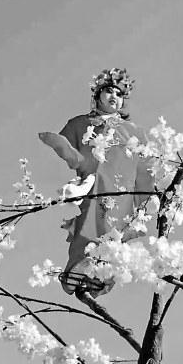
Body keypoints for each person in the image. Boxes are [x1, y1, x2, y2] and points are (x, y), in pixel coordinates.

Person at [38, 68, 153, 295]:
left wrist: (146, 201)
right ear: (97, 94)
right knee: (89, 223)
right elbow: (74, 155)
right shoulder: (81, 123)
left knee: (115, 232)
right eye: (109, 91)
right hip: (94, 183)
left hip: (122, 191)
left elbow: (145, 169)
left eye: (119, 93)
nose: (114, 96)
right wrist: (60, 145)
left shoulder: (134, 132)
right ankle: (78, 267)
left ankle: (102, 278)